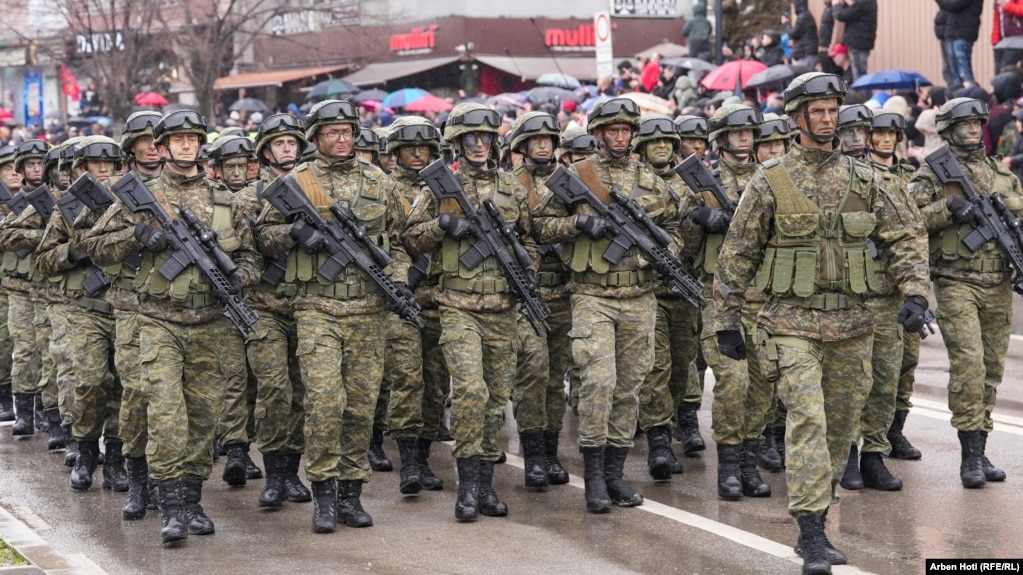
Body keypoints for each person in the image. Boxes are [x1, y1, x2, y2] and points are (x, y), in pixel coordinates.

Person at [714, 73, 930, 573]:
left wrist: (915, 292)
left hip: (853, 323)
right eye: (818, 111)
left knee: (840, 427)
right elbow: (737, 253)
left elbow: (907, 237)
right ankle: (811, 534)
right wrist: (725, 319)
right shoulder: (770, 180)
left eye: (833, 110)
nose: (829, 119)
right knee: (807, 419)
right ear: (797, 118)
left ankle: (819, 515)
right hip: (790, 323)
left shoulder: (868, 179)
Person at [80, 110, 261, 545]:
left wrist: (240, 277)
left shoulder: (225, 200)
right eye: (176, 139)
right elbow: (93, 248)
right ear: (162, 146)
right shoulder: (139, 194)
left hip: (212, 322)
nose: (185, 146)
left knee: (202, 418)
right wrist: (135, 236)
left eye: (192, 139)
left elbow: (252, 259)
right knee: (164, 413)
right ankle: (171, 507)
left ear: (201, 144)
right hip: (157, 319)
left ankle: (193, 500)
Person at [255, 100, 409, 533]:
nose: (341, 139)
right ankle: (323, 492)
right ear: (316, 137)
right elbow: (264, 236)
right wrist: (293, 233)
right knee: (325, 402)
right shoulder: (299, 181)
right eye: (332, 132)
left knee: (360, 409)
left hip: (368, 310)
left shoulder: (379, 181)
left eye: (347, 132)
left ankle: (350, 494)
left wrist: (398, 279)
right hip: (316, 308)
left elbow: (398, 243)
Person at [533, 97, 680, 513]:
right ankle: (594, 478)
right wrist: (578, 223)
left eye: (625, 131)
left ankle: (615, 476)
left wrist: (659, 252)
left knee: (631, 387)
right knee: (599, 383)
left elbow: (673, 229)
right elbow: (540, 226)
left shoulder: (651, 180)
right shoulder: (577, 176)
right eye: (611, 131)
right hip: (592, 295)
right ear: (597, 135)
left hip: (639, 296)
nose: (619, 138)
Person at [404, 102, 535, 521]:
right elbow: (409, 239)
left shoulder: (512, 188)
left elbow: (531, 239)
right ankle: (466, 489)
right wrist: (442, 224)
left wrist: (525, 268)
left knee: (496, 400)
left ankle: (484, 487)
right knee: (470, 393)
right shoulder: (439, 187)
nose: (479, 145)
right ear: (457, 144)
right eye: (470, 139)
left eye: (485, 138)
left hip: (502, 308)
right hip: (457, 306)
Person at [909, 97, 1021, 489]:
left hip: (998, 283)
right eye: (966, 124)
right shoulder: (934, 173)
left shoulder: (1002, 175)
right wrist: (949, 208)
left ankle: (982, 446)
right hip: (957, 281)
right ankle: (968, 456)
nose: (974, 130)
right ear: (949, 129)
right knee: (970, 367)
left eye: (978, 123)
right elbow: (907, 221)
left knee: (991, 370)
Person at [682, 104, 773, 501]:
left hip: (765, 298)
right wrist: (701, 218)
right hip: (718, 298)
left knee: (763, 385)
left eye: (749, 132)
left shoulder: (770, 180)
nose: (744, 139)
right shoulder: (702, 184)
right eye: (735, 133)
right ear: (719, 139)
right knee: (733, 383)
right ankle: (730, 465)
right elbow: (682, 247)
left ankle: (750, 462)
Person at [36, 136, 128, 493]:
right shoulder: (69, 209)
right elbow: (44, 260)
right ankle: (87, 451)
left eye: (108, 164)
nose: (102, 171)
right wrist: (76, 252)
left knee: (123, 387)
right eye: (94, 164)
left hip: (126, 308)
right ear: (79, 169)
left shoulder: (133, 203)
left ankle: (117, 459)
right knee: (89, 382)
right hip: (84, 309)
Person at [242, 112, 313, 509]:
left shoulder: (315, 188)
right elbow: (242, 251)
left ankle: (292, 471)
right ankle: (274, 475)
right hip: (264, 306)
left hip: (306, 304)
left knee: (301, 392)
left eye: (291, 143)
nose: (286, 150)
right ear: (265, 151)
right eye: (279, 144)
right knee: (273, 390)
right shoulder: (246, 198)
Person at [378, 115, 448, 497]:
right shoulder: (384, 189)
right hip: (401, 298)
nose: (417, 154)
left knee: (436, 386)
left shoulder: (447, 188)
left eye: (423, 147)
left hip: (441, 296)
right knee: (407, 380)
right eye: (409, 148)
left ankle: (424, 457)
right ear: (395, 152)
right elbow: (387, 242)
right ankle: (410, 464)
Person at [504, 111, 573, 490]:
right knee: (532, 373)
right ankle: (533, 457)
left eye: (549, 139)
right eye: (536, 141)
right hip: (526, 292)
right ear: (523, 147)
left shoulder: (571, 181)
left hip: (565, 292)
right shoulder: (512, 185)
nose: (544, 145)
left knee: (555, 378)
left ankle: (550, 450)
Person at [632, 114, 694, 481]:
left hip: (683, 286)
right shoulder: (637, 182)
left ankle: (669, 428)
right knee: (656, 367)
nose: (661, 147)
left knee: (682, 367)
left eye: (667, 142)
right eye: (653, 142)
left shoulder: (691, 183)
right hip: (647, 288)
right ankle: (658, 443)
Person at [672, 114, 710, 456]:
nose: (696, 147)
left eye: (701, 141)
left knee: (694, 355)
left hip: (697, 278)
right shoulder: (662, 179)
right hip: (665, 278)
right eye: (689, 140)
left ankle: (687, 417)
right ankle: (674, 420)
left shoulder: (706, 179)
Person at [939, 0, 983, 88]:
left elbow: (953, 4)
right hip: (953, 30)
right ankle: (957, 88)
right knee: (953, 66)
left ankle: (968, 88)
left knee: (962, 64)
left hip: (963, 31)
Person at [787, 0, 820, 69]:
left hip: (806, 53)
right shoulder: (806, 15)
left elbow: (793, 33)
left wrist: (786, 24)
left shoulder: (803, 17)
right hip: (806, 52)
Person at [993, 0, 1023, 72]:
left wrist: (1006, 5)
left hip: (1017, 41)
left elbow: (1021, 10)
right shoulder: (998, 3)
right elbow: (997, 21)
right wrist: (995, 40)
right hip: (1002, 42)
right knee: (999, 71)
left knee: (1005, 70)